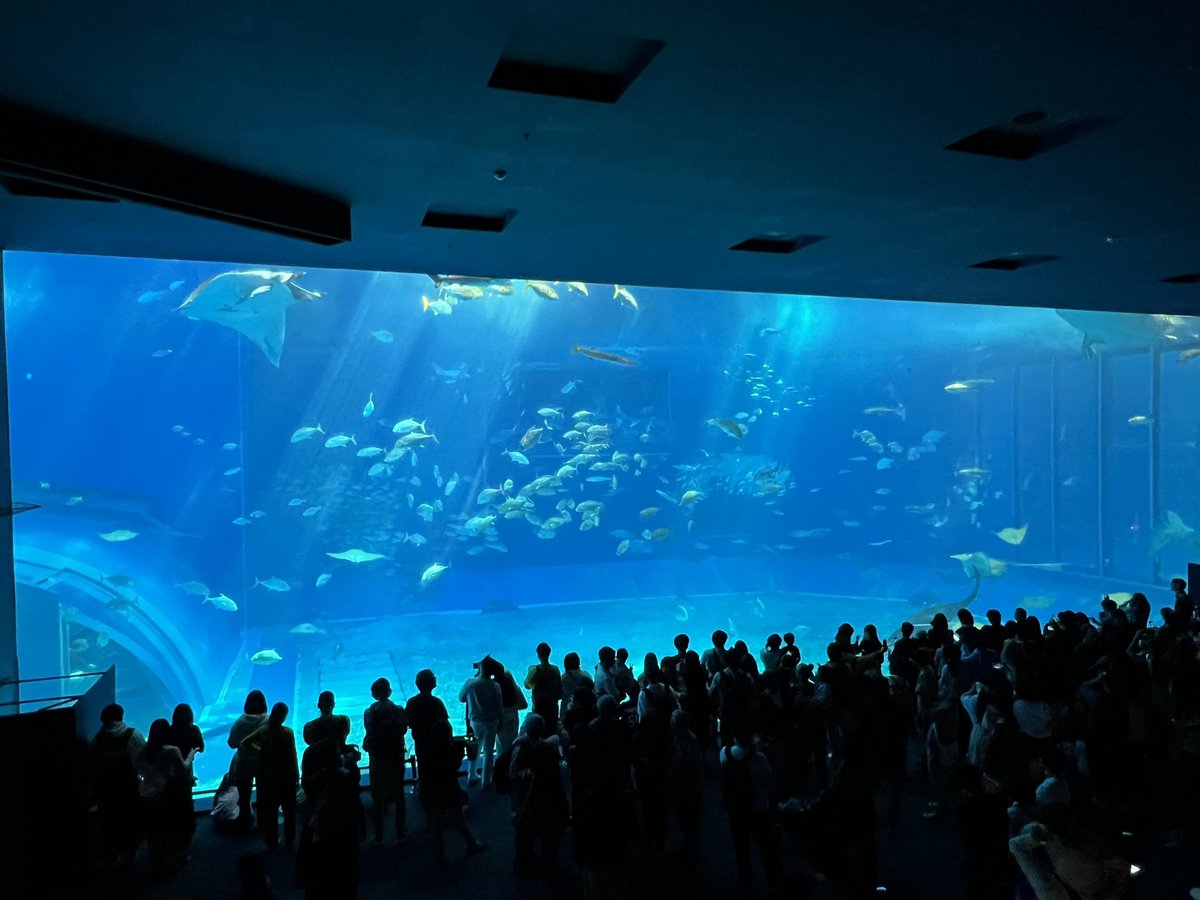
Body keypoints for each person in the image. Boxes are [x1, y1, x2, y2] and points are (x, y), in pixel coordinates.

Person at [296, 738, 364, 899]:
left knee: (320, 878)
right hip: (338, 834)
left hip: (319, 837)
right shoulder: (338, 781)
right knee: (344, 875)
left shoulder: (313, 782)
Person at [720, 726, 782, 891]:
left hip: (736, 810)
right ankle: (774, 882)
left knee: (741, 847)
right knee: (767, 848)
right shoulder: (759, 759)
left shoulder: (724, 753)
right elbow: (770, 785)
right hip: (759, 809)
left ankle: (746, 880)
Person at [509, 713, 568, 877]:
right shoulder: (546, 745)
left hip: (532, 798)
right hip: (539, 796)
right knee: (541, 833)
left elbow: (513, 774)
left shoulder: (525, 746)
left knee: (526, 832)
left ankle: (525, 864)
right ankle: (545, 866)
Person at [419, 720, 486, 863]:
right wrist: (461, 751)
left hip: (432, 791)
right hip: (448, 789)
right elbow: (455, 764)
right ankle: (471, 844)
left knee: (437, 823)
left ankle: (441, 853)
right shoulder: (449, 750)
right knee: (458, 819)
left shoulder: (427, 750)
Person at [90, 703, 145, 870]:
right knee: (130, 821)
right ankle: (130, 856)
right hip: (128, 788)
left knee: (110, 823)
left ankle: (112, 858)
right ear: (121, 716)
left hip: (107, 791)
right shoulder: (132, 734)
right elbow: (143, 760)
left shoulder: (97, 739)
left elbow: (93, 767)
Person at [137, 718, 194, 877]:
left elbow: (140, 770)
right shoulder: (171, 750)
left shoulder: (144, 750)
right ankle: (168, 865)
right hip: (166, 795)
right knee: (168, 829)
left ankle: (152, 865)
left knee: (153, 831)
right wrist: (191, 754)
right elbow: (183, 768)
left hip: (148, 795)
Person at [363, 677, 409, 844]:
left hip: (377, 759)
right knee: (399, 795)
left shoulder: (369, 713)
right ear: (389, 692)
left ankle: (379, 835)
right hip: (396, 757)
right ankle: (400, 833)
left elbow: (368, 734)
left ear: (374, 694)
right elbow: (403, 729)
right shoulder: (398, 710)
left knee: (377, 797)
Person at [254, 702, 298, 850]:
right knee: (289, 811)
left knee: (271, 811)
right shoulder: (287, 733)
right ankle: (290, 841)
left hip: (269, 778)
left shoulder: (263, 731)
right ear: (284, 716)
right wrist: (296, 775)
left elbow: (247, 743)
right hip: (285, 777)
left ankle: (271, 841)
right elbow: (292, 756)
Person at [229, 690, 269, 831]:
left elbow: (232, 743)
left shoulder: (240, 722)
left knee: (245, 797)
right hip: (263, 763)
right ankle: (264, 824)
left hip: (244, 763)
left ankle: (245, 822)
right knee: (263, 795)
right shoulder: (268, 720)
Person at [459, 659, 503, 787]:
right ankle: (486, 781)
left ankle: (471, 776)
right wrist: (501, 721)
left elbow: (461, 698)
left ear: (480, 669)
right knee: (489, 751)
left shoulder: (470, 683)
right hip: (491, 722)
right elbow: (499, 706)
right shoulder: (495, 685)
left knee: (474, 749)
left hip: (475, 722)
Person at [405, 668, 449, 773]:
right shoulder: (437, 703)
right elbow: (445, 724)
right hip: (437, 742)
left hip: (420, 742)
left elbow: (408, 722)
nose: (435, 678)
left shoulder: (412, 702)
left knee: (423, 767)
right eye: (433, 677)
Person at [524, 642, 564, 734]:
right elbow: (559, 686)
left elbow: (527, 685)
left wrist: (531, 675)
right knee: (551, 730)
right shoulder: (555, 669)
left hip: (539, 707)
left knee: (538, 731)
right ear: (549, 653)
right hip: (552, 707)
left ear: (538, 655)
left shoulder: (534, 670)